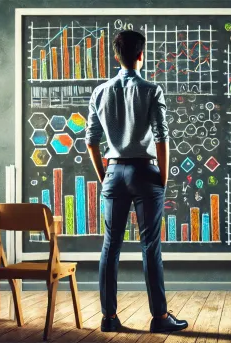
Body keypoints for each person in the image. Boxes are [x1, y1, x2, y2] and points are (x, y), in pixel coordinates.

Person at [85, 30, 187, 333]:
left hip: (114, 172)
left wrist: (105, 176)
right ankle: (159, 318)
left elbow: (91, 141)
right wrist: (163, 178)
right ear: (140, 55)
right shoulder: (151, 90)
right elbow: (161, 136)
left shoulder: (100, 92)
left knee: (110, 245)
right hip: (146, 172)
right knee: (150, 246)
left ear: (117, 56)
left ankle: (109, 318)